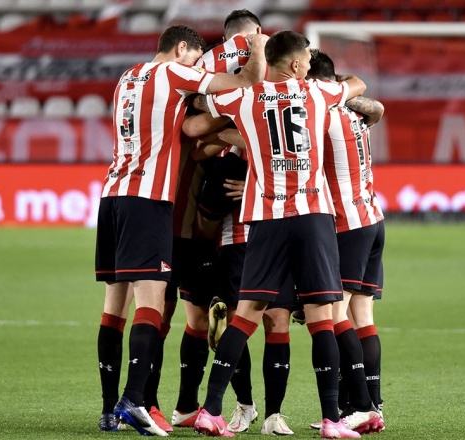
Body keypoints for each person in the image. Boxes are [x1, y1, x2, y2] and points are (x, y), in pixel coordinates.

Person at [186, 30, 367, 439]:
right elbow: (357, 85)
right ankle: (332, 420)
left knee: (246, 313)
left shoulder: (246, 97)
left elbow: (203, 104)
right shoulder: (317, 93)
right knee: (322, 316)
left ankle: (211, 410)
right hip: (311, 215)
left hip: (264, 217)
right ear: (299, 64)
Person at [95, 24, 268, 436]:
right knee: (151, 303)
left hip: (112, 195)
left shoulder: (127, 76)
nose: (197, 66)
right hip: (147, 200)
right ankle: (134, 400)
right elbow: (245, 79)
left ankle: (108, 410)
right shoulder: (173, 73)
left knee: (113, 308)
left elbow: (184, 126)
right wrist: (257, 48)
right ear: (182, 48)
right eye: (195, 56)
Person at [171, 10, 265, 431]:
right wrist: (235, 135)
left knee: (241, 317)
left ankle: (243, 405)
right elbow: (193, 137)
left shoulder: (269, 82)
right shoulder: (207, 78)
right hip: (196, 223)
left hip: (238, 224)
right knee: (206, 319)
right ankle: (194, 406)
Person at [306, 48, 386, 434]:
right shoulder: (353, 114)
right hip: (371, 218)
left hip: (346, 226)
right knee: (363, 316)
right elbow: (376, 108)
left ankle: (362, 406)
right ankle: (373, 404)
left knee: (337, 316)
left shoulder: (319, 117)